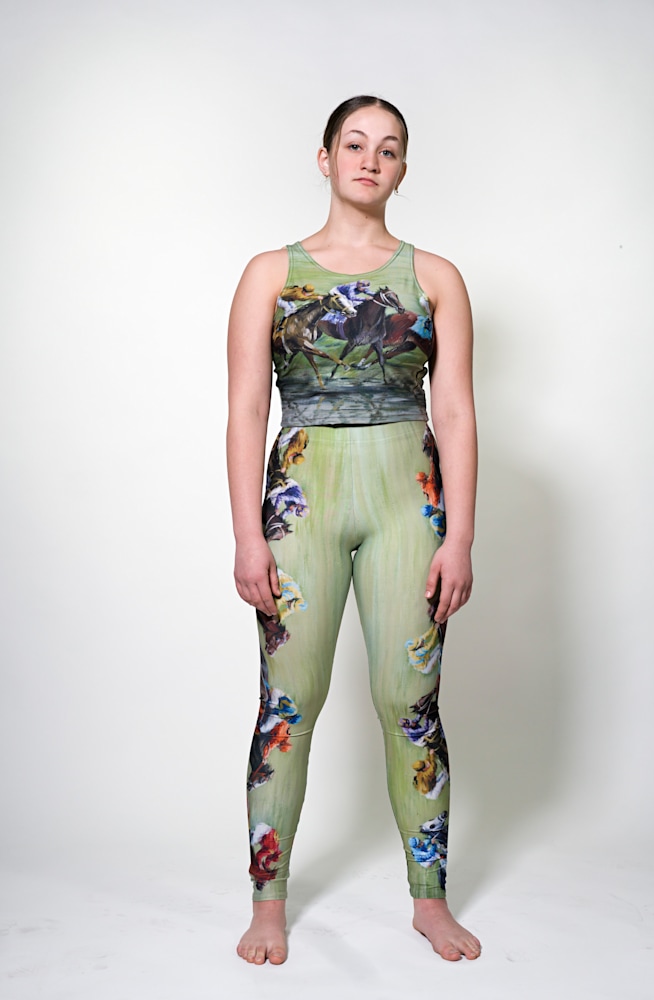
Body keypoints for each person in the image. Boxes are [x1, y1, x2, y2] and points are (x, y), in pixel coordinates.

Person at [226, 95, 481, 965]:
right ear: (326, 157)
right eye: (355, 144)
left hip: (410, 501)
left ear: (402, 169)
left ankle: (428, 899)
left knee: (409, 703)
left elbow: (455, 411)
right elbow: (244, 410)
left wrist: (459, 537)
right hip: (302, 501)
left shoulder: (435, 276)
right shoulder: (269, 272)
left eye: (389, 149)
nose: (371, 160)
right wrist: (248, 536)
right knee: (287, 705)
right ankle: (267, 905)